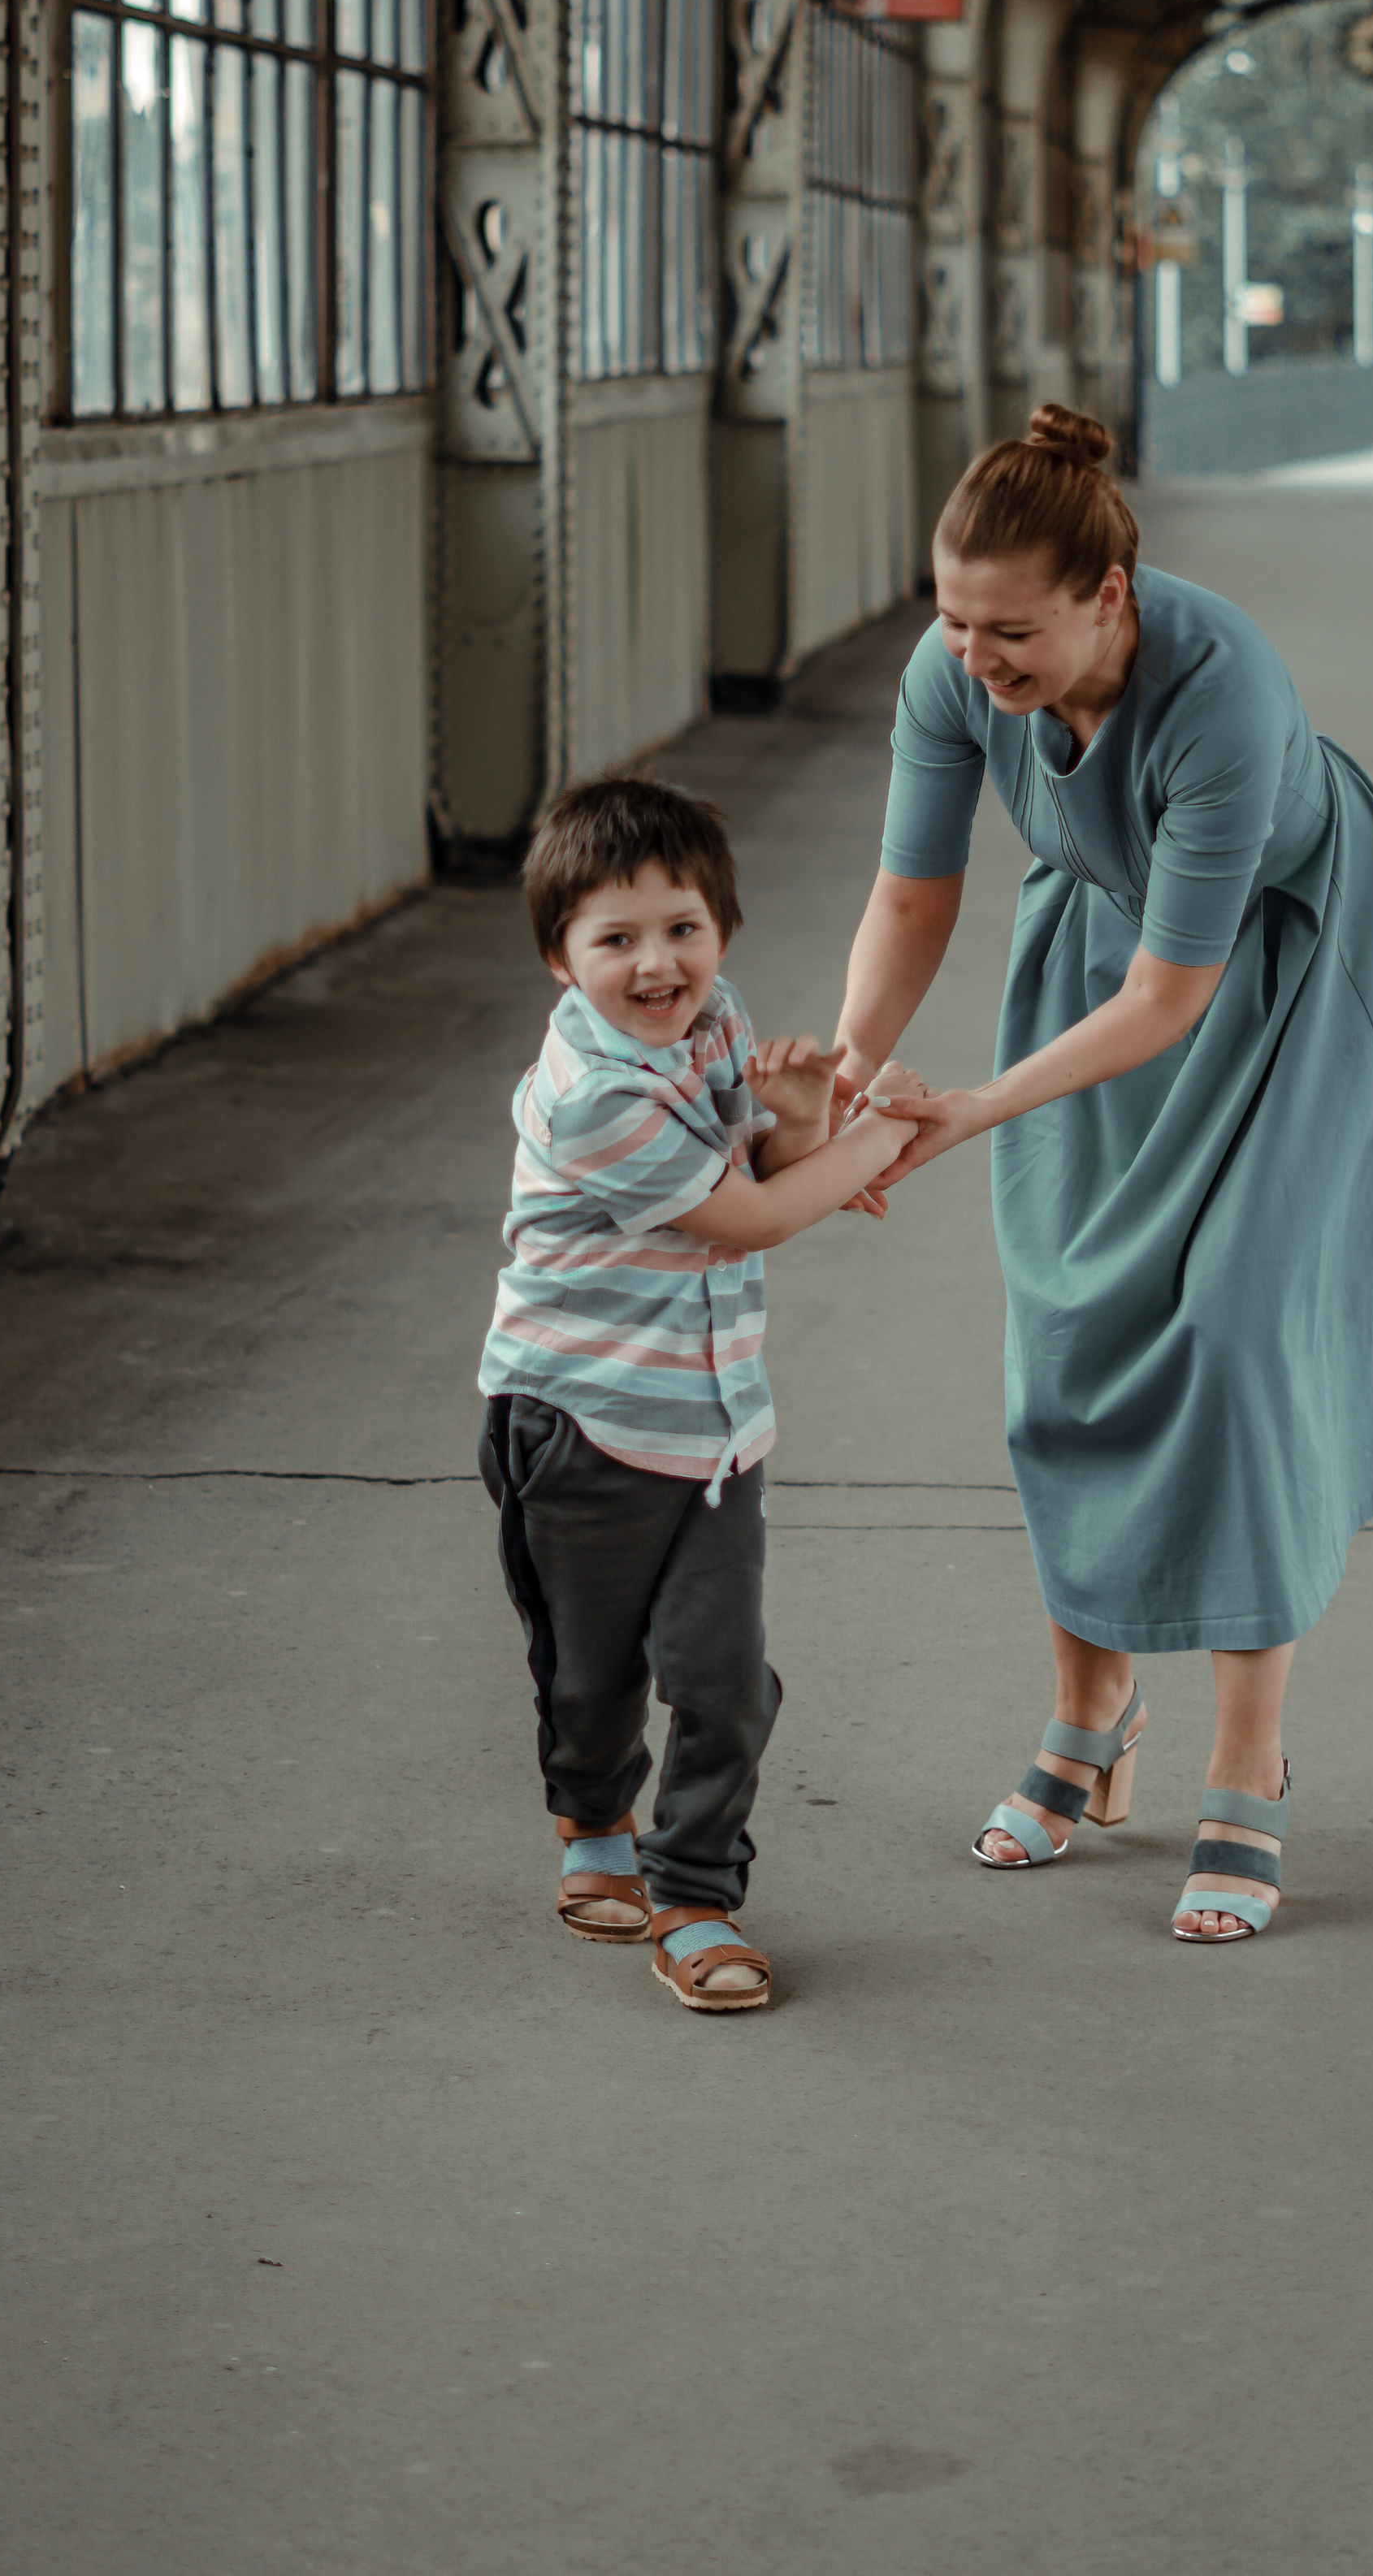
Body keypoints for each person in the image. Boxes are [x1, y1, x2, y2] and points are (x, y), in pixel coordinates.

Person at [834, 405, 1373, 1941]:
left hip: (1290, 970)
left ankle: (1251, 1762)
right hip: (1097, 948)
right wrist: (852, 1076)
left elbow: (1178, 1000)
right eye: (954, 624)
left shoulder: (1224, 692)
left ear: (1113, 595)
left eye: (1014, 632)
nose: (977, 661)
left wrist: (965, 1109)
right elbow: (914, 893)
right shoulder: (954, 670)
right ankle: (1089, 1721)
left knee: (1236, 1332)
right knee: (1066, 1329)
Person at [478, 774, 915, 2015]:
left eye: (682, 928)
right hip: (580, 1424)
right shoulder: (597, 1099)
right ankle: (591, 1817)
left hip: (714, 1425)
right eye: (614, 939)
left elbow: (764, 1160)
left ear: (720, 929)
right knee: (591, 1672)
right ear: (561, 960)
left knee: (723, 1679)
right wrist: (879, 1141)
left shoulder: (714, 1020)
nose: (657, 963)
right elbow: (758, 1217)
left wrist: (805, 1112)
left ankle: (695, 1896)